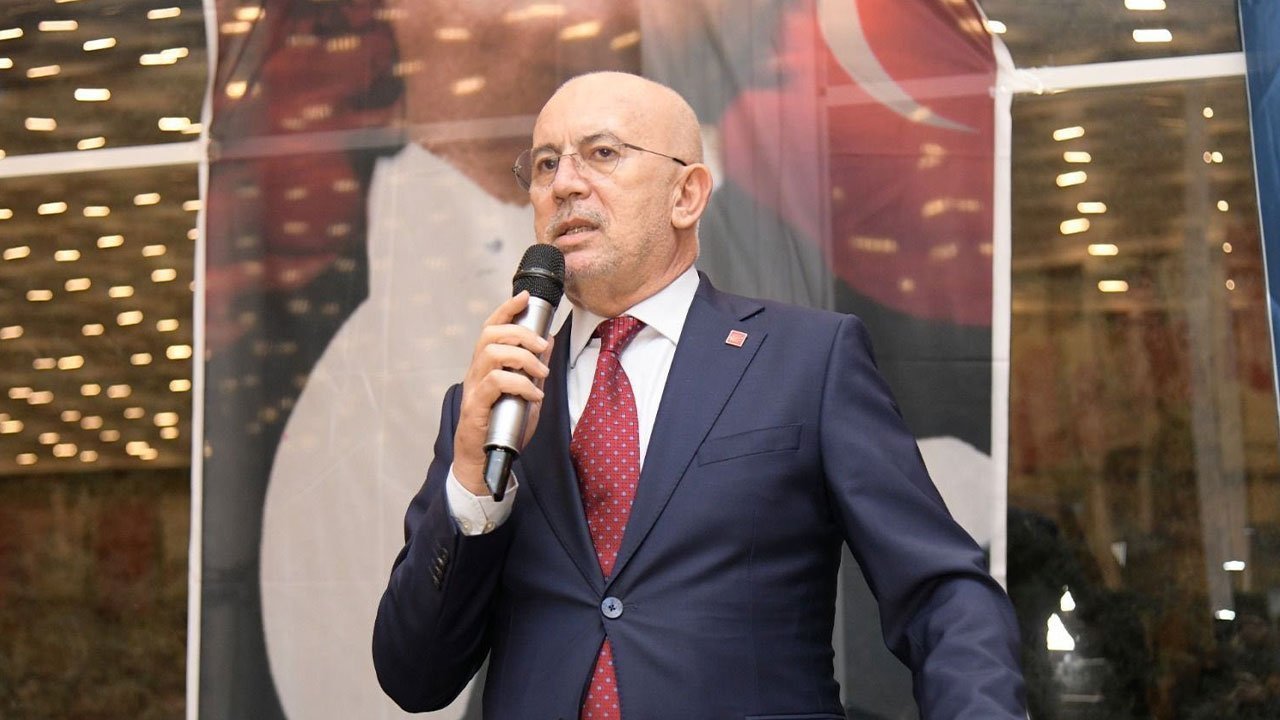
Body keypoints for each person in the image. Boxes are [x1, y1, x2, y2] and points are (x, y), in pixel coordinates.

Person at [371, 71, 1025, 719]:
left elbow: (940, 593)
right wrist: (470, 486)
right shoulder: (494, 402)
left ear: (686, 195)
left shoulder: (807, 361)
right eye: (545, 165)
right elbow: (413, 677)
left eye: (602, 153)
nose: (565, 183)